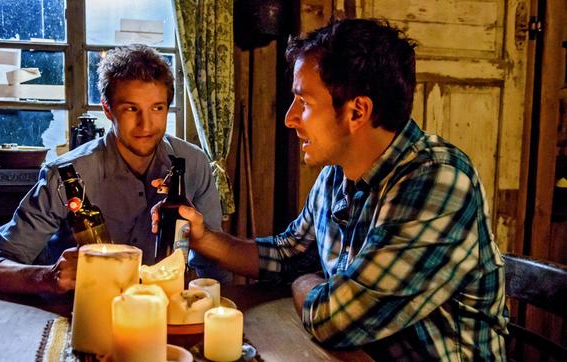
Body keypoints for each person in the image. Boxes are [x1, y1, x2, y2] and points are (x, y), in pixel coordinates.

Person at [152, 19, 508, 361]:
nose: (290, 118)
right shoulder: (336, 175)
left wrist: (307, 280)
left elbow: (333, 319)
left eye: (303, 103)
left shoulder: (437, 181)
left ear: (357, 112)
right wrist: (204, 237)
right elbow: (289, 254)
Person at [0, 44, 230, 294]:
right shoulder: (66, 175)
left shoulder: (193, 164)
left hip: (166, 315)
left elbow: (215, 264)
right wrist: (48, 276)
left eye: (157, 108)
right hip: (84, 313)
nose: (146, 124)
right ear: (107, 110)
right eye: (131, 108)